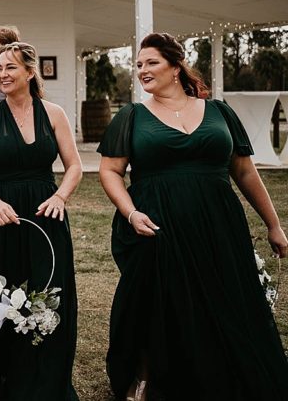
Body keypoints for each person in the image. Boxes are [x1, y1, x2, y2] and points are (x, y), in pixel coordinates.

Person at [97, 32, 288, 401]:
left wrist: (274, 224)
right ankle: (146, 378)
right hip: (157, 224)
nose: (142, 71)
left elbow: (245, 172)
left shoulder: (219, 112)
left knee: (224, 300)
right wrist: (131, 212)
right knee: (158, 305)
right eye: (138, 65)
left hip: (218, 224)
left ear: (175, 66)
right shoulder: (131, 116)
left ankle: (223, 373)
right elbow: (109, 171)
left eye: (151, 62)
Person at [0, 41, 82, 400]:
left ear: (30, 73)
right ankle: (2, 378)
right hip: (2, 216)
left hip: (46, 215)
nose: (1, 74)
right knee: (1, 295)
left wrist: (60, 196)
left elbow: (75, 166)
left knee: (49, 290)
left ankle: (47, 378)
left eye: (10, 68)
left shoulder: (54, 113)